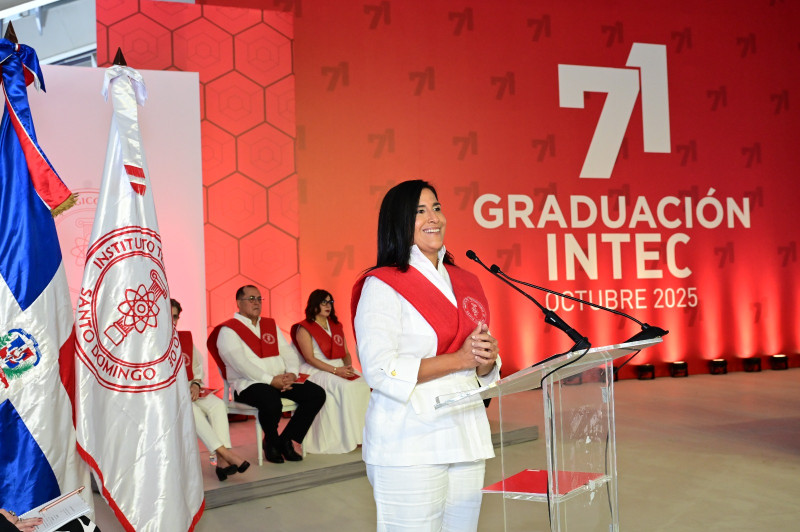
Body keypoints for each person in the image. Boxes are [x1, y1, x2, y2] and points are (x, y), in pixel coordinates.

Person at [352, 179, 501, 531]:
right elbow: (379, 369)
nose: (433, 217)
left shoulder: (463, 280)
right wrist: (461, 359)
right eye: (419, 211)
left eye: (436, 207)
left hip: (466, 433)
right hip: (410, 440)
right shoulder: (383, 284)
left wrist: (487, 360)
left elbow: (476, 362)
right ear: (398, 222)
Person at [207, 286, 326, 464]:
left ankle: (287, 439)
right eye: (251, 299)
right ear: (239, 303)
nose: (256, 302)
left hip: (281, 380)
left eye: (259, 299)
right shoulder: (228, 331)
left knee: (316, 394)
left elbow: (288, 353)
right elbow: (241, 365)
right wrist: (270, 381)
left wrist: (292, 374)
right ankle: (271, 441)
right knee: (271, 401)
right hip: (249, 384)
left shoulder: (269, 325)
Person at [170, 299, 249, 481]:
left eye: (175, 317)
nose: (173, 321)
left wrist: (196, 385)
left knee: (217, 405)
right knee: (193, 410)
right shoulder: (150, 343)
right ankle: (225, 453)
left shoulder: (184, 339)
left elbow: (197, 368)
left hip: (191, 390)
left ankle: (221, 461)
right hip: (170, 395)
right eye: (169, 317)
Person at [290, 290, 370, 454]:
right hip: (316, 370)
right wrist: (335, 370)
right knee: (347, 388)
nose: (328, 306)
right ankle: (350, 437)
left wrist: (348, 368)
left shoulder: (335, 326)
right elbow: (310, 358)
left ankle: (363, 436)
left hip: (339, 368)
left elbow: (346, 353)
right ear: (315, 304)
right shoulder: (304, 328)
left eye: (330, 302)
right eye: (324, 302)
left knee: (363, 384)